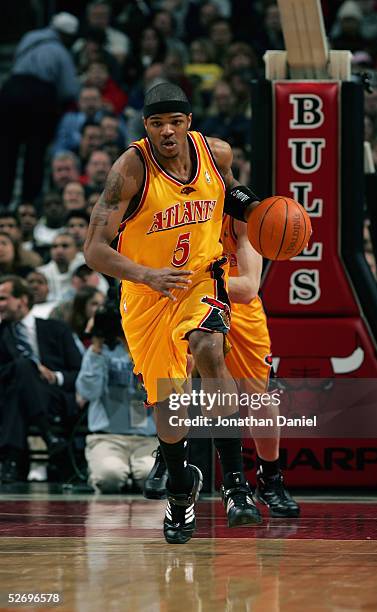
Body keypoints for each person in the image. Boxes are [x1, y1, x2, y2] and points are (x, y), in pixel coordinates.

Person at [84, 82, 265, 544]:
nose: (167, 132)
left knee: (208, 347)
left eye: (176, 122)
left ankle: (237, 486)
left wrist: (259, 209)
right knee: (169, 402)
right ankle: (183, 491)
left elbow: (232, 192)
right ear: (145, 126)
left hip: (199, 279)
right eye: (157, 123)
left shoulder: (216, 153)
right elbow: (94, 250)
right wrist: (146, 275)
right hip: (146, 293)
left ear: (189, 122)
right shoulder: (129, 169)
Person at [145, 215, 300, 517]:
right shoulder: (180, 209)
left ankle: (270, 479)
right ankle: (170, 458)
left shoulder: (241, 216)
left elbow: (249, 287)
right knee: (177, 376)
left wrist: (205, 277)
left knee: (259, 398)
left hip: (238, 309)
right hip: (186, 303)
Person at [0, 275, 82, 483]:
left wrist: (55, 377)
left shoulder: (56, 328)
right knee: (23, 368)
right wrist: (30, 368)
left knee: (19, 388)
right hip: (8, 397)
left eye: (3, 298)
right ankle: (50, 437)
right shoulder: (2, 333)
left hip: (53, 395)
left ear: (22, 300)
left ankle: (11, 461)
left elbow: (79, 372)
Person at [76, 300, 157, 493]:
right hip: (107, 437)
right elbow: (88, 392)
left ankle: (132, 473)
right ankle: (107, 471)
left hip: (146, 437)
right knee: (109, 477)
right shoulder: (99, 351)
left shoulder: (149, 346)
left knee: (150, 477)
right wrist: (96, 344)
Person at [0, 12, 80, 207]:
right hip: (40, 98)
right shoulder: (62, 53)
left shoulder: (29, 38)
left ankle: (3, 198)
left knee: (6, 149)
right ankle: (28, 200)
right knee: (34, 151)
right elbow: (69, 90)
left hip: (11, 91)